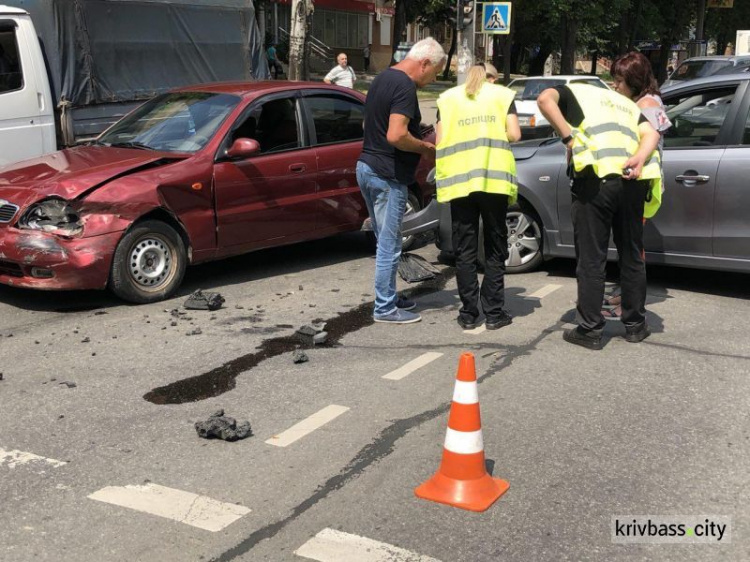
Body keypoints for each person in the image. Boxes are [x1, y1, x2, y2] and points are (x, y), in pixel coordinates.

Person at [537, 77, 661, 349]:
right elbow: (653, 133)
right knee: (631, 254)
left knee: (592, 257)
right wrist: (640, 157)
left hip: (596, 182)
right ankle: (636, 326)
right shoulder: (623, 104)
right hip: (632, 180)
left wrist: (568, 137)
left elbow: (544, 100)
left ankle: (590, 329)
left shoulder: (574, 93)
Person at [356, 37, 446, 324]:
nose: (433, 79)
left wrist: (413, 129)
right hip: (387, 175)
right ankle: (384, 307)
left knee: (386, 240)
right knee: (390, 243)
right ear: (425, 63)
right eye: (435, 72)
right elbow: (395, 135)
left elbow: (371, 123)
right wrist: (425, 147)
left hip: (367, 166)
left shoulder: (382, 78)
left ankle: (389, 296)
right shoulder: (405, 85)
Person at [435, 62, 521, 330]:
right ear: (491, 78)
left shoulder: (447, 100)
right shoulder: (502, 96)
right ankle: (494, 313)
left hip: (460, 182)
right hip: (493, 180)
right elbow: (515, 134)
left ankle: (469, 314)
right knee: (495, 247)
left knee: (465, 249)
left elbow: (439, 141)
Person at [602, 51, 672, 320]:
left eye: (620, 80)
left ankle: (630, 304)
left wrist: (638, 159)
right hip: (638, 182)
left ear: (635, 79)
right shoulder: (645, 100)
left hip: (640, 184)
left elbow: (653, 137)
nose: (615, 86)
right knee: (629, 248)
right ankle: (626, 294)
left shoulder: (647, 104)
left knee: (632, 251)